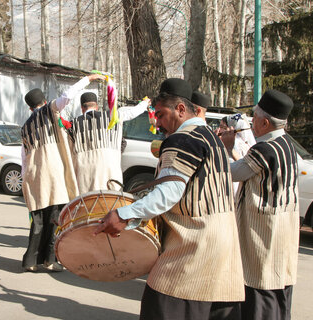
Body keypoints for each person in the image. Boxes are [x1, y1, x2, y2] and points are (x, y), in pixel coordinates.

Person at [94, 78, 244, 320]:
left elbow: (169, 192)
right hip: (223, 250)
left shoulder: (181, 140)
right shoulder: (211, 137)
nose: (158, 122)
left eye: (161, 114)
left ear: (181, 109)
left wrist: (123, 214)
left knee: (160, 306)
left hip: (191, 251)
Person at [220, 90, 299, 320]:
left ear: (265, 122)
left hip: (262, 231)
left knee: (259, 284)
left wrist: (225, 147)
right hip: (283, 228)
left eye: (254, 116)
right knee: (278, 284)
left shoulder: (264, 149)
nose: (251, 121)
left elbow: (231, 173)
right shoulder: (287, 144)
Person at [21, 73, 105, 272]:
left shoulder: (25, 126)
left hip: (34, 176)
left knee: (38, 220)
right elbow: (67, 96)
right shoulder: (49, 112)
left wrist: (26, 180)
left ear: (30, 107)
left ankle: (30, 261)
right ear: (44, 101)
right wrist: (88, 79)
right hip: (54, 175)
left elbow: (23, 158)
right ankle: (50, 260)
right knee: (55, 219)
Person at [67, 92, 149, 194]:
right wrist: (144, 103)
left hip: (85, 178)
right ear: (97, 106)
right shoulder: (113, 117)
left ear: (82, 108)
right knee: (110, 202)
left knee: (87, 203)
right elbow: (133, 112)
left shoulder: (73, 125)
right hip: (110, 174)